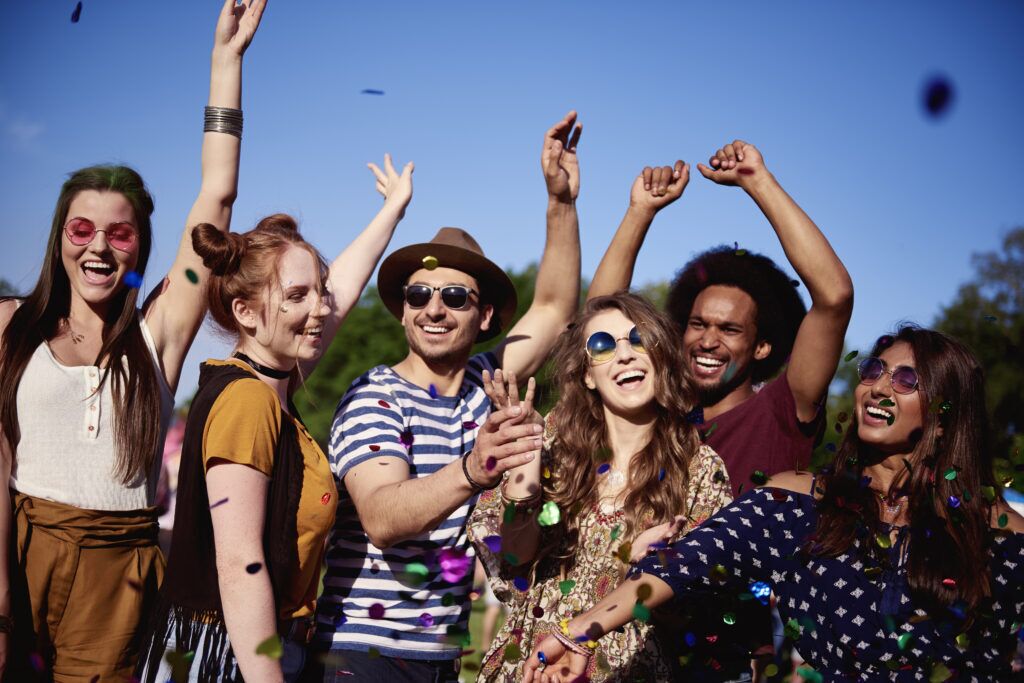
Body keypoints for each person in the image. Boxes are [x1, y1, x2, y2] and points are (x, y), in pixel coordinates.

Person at [0, 1, 265, 679]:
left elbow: (218, 195)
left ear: (141, 247)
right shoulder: (11, 326)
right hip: (19, 551)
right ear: (59, 237)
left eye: (119, 234)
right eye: (80, 229)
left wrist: (225, 64)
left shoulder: (158, 335)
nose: (98, 248)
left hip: (120, 572)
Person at [524, 326, 1024, 683]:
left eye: (906, 380)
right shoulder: (797, 503)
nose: (877, 385)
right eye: (874, 370)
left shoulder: (1000, 534)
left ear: (943, 415)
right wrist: (577, 635)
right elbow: (677, 567)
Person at [314, 112, 583, 681]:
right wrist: (474, 467)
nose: (434, 308)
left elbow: (557, 308)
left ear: (483, 315)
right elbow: (383, 517)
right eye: (420, 294)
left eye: (455, 296)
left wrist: (560, 202)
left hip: (440, 656)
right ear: (404, 309)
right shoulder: (375, 397)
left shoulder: (488, 381)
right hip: (360, 654)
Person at [137, 154, 414, 682]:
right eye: (296, 296)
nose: (319, 308)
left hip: (249, 648)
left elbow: (343, 295)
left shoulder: (273, 379)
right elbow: (241, 567)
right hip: (231, 656)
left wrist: (391, 212)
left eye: (319, 291)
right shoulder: (247, 401)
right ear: (245, 312)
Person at [466, 292, 733, 681]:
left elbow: (699, 615)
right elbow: (515, 559)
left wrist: (649, 569)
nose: (624, 354)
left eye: (638, 339)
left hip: (628, 671)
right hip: (532, 667)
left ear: (661, 356)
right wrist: (525, 468)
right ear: (588, 374)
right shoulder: (556, 442)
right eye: (603, 345)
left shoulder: (701, 470)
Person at [588, 140, 854, 493]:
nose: (708, 341)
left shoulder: (780, 412)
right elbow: (597, 319)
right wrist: (639, 212)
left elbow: (835, 296)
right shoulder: (658, 412)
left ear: (761, 346)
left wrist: (758, 181)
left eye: (729, 329)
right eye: (698, 324)